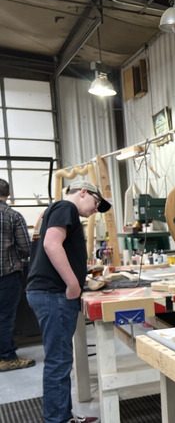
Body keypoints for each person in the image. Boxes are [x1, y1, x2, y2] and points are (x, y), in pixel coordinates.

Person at [26, 181, 111, 423]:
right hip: (54, 294)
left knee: (59, 360)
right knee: (58, 362)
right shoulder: (66, 207)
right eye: (96, 203)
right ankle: (57, 420)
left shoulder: (52, 210)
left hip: (47, 292)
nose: (96, 209)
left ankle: (63, 416)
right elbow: (51, 244)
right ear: (83, 192)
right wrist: (73, 284)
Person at [0, 178, 33, 372]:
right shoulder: (13, 216)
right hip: (6, 275)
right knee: (4, 317)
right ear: (9, 194)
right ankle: (6, 358)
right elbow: (26, 248)